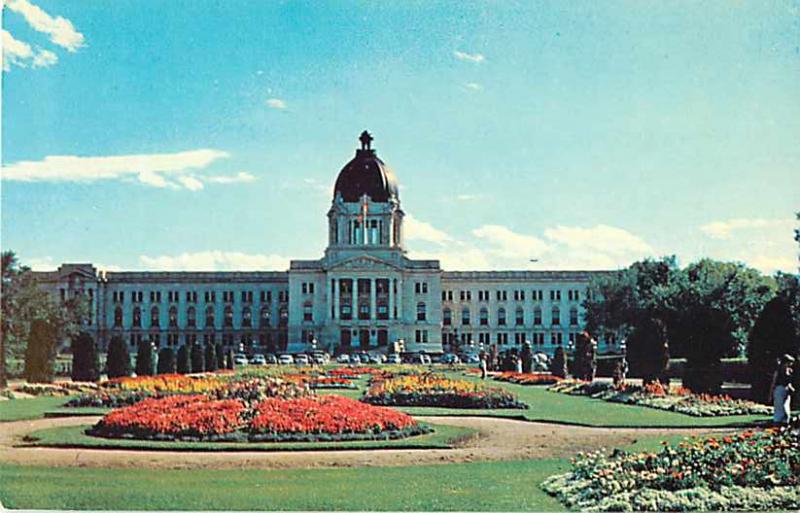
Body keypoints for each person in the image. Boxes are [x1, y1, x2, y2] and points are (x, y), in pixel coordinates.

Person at [770, 354, 795, 424]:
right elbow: (774, 382)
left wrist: (791, 388)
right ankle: (778, 421)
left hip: (786, 390)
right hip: (779, 389)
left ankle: (785, 421)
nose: (791, 364)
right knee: (779, 406)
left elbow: (789, 382)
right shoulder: (778, 371)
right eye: (789, 362)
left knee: (786, 405)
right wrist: (771, 393)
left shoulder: (789, 370)